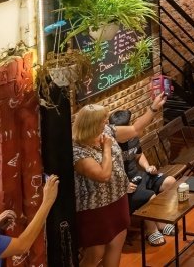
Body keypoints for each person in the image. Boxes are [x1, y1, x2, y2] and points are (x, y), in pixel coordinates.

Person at [70, 97, 163, 267]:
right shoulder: (78, 151)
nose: (106, 122)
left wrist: (153, 108)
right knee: (95, 253)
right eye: (102, 120)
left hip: (118, 200)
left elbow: (135, 129)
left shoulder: (107, 131)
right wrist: (106, 148)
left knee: (116, 244)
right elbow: (103, 175)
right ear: (91, 125)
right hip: (95, 209)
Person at [110, 110, 177, 248]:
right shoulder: (109, 147)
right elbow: (106, 174)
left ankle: (163, 219)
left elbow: (138, 155)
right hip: (122, 188)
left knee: (171, 182)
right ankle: (152, 230)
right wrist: (123, 186)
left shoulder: (133, 137)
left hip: (138, 176)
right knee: (149, 196)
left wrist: (147, 167)